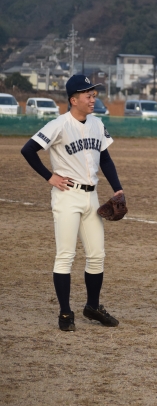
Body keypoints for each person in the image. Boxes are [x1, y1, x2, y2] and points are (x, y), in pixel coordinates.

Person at [20, 74, 123, 332]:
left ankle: (93, 306)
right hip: (67, 196)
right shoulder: (58, 125)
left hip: (92, 197)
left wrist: (118, 188)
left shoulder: (97, 123)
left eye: (93, 94)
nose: (93, 99)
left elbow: (105, 159)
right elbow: (28, 150)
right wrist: (49, 177)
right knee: (65, 255)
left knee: (97, 255)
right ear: (73, 100)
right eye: (88, 95)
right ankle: (65, 313)